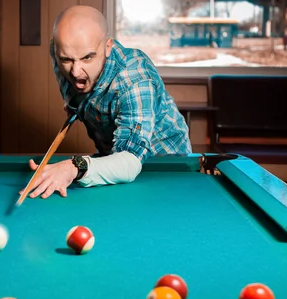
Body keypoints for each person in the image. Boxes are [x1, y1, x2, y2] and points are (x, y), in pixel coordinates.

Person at [23, 5, 192, 199]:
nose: (75, 71)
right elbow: (74, 90)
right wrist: (76, 105)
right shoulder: (58, 53)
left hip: (165, 166)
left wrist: (74, 166)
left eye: (87, 57)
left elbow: (129, 161)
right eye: (67, 59)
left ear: (108, 47)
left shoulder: (134, 79)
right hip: (113, 159)